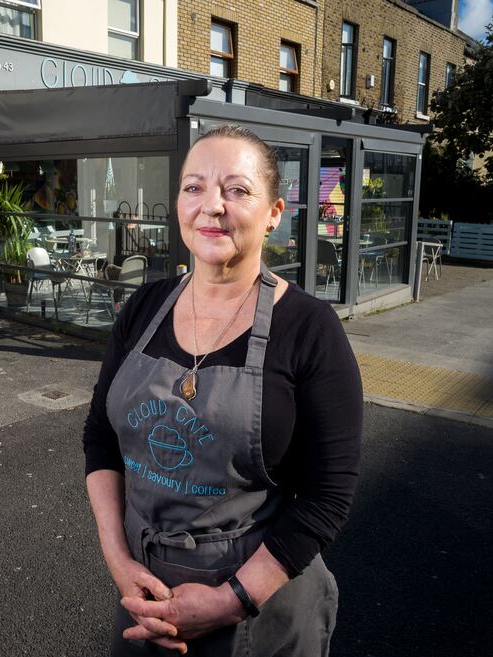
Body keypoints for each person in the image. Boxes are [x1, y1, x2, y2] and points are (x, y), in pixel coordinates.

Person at [83, 125, 363, 656]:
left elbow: (329, 496)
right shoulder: (143, 309)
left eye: (237, 190)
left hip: (258, 601)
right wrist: (119, 562)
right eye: (194, 187)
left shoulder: (310, 329)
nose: (211, 206)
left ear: (274, 213)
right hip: (144, 591)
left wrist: (233, 599)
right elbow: (101, 438)